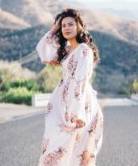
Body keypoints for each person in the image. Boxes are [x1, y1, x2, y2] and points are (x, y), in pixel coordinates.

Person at [36, 8, 104, 166]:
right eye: (63, 25)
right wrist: (53, 29)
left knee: (77, 149)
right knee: (54, 144)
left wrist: (74, 113)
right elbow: (44, 53)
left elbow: (80, 81)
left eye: (70, 24)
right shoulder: (65, 51)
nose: (66, 28)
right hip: (61, 102)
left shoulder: (84, 51)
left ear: (79, 26)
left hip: (78, 104)